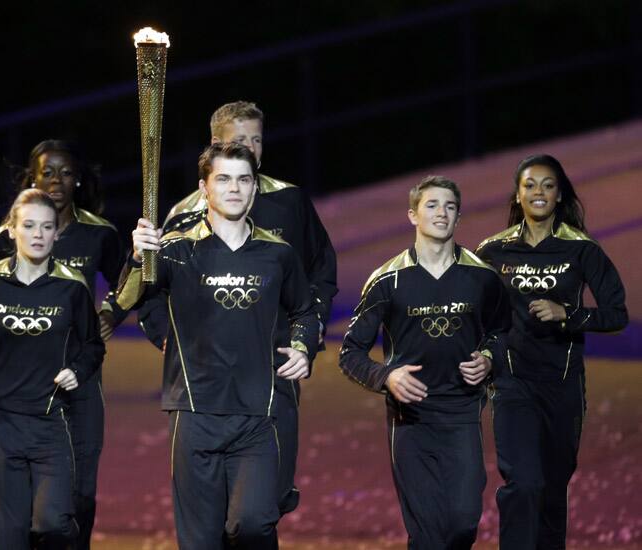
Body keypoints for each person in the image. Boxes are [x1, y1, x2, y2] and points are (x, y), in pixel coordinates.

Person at [109, 142, 319, 548]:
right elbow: (126, 300)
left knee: (254, 523)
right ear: (205, 188)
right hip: (194, 412)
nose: (235, 188)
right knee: (201, 540)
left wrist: (303, 346)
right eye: (223, 179)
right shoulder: (175, 249)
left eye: (244, 180)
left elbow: (306, 313)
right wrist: (137, 259)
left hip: (258, 413)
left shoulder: (278, 254)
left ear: (255, 188)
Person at [138, 100, 337, 514]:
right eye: (239, 140)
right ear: (215, 148)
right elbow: (148, 292)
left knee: (265, 499)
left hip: (274, 365)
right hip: (206, 376)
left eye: (257, 140)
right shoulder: (181, 217)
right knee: (217, 504)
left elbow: (320, 270)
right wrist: (166, 338)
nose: (251, 148)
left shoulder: (289, 201)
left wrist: (307, 333)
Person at [339, 176, 509, 549]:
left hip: (462, 415)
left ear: (459, 217)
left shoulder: (482, 277)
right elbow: (349, 352)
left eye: (449, 206)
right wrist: (386, 377)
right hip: (411, 422)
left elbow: (503, 332)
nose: (441, 213)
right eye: (431, 205)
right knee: (428, 535)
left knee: (463, 525)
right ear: (413, 215)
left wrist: (489, 358)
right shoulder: (387, 280)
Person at [0, 140, 124, 548]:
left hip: (80, 378)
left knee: (79, 490)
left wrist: (111, 312)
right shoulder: (6, 237)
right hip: (21, 386)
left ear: (78, 180)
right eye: (47, 172)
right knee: (25, 494)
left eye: (65, 172)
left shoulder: (99, 233)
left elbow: (128, 280)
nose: (56, 181)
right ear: (32, 178)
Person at [476, 154, 628, 549]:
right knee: (524, 483)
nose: (538, 192)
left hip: (562, 387)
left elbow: (616, 313)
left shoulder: (582, 250)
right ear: (518, 194)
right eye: (530, 185)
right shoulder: (493, 251)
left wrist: (569, 314)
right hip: (512, 384)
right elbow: (472, 310)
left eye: (547, 185)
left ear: (559, 195)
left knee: (552, 490)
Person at [0, 189, 105, 549]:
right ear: (12, 230)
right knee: (8, 539)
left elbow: (94, 346)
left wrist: (77, 370)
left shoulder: (72, 286)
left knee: (53, 523)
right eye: (29, 225)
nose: (37, 234)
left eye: (46, 227)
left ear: (56, 233)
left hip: (52, 423)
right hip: (2, 426)